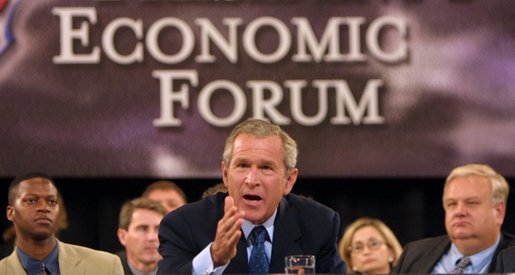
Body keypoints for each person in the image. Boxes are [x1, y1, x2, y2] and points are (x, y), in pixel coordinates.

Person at [157, 118, 346, 274]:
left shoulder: (319, 223)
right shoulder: (183, 225)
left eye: (265, 168)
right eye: (242, 165)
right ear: (225, 174)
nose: (251, 179)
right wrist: (214, 257)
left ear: (288, 180)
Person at [393, 164, 515, 274]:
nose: (459, 212)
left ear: (499, 212)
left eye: (471, 203)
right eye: (451, 204)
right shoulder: (414, 253)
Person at [0, 172, 124, 274]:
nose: (44, 207)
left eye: (52, 202)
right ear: (11, 213)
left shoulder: (106, 267)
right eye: (31, 200)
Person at [1, 193, 69, 260]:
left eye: (51, 202)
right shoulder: (3, 256)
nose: (43, 208)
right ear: (12, 212)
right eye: (31, 201)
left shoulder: (74, 256)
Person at [116, 197, 167, 275]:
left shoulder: (182, 270)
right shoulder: (108, 270)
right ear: (122, 236)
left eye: (158, 229)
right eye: (143, 229)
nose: (152, 237)